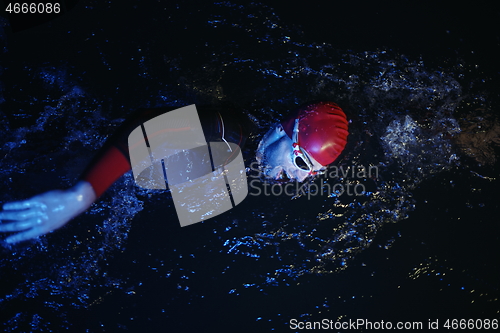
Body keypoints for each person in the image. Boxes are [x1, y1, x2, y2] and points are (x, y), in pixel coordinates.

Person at [0, 101, 348, 244]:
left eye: (312, 173)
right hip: (74, 164)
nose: (300, 178)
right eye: (301, 162)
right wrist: (81, 195)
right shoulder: (228, 134)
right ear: (281, 131)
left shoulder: (249, 152)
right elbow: (144, 132)